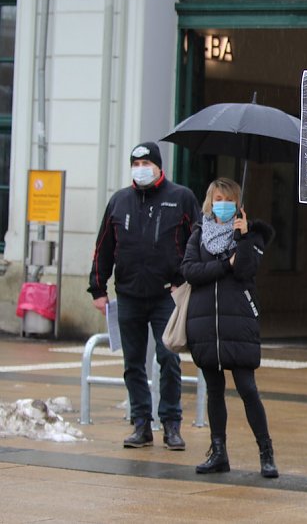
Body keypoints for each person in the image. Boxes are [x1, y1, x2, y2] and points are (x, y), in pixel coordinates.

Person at [88, 142, 199, 450]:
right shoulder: (120, 201)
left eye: (146, 163)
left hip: (167, 295)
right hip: (128, 295)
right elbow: (104, 247)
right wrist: (98, 288)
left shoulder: (181, 198)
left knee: (169, 359)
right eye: (136, 163)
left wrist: (184, 279)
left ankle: (171, 424)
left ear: (158, 166)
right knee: (133, 363)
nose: (141, 168)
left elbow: (196, 242)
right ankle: (140, 423)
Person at [181, 177, 279, 478]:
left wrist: (244, 238)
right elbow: (189, 270)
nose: (222, 203)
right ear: (210, 200)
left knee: (248, 388)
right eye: (217, 197)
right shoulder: (199, 233)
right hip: (205, 323)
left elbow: (246, 270)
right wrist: (224, 265)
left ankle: (266, 453)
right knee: (214, 390)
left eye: (228, 198)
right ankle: (218, 451)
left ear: (238, 203)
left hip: (238, 322)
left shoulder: (251, 235)